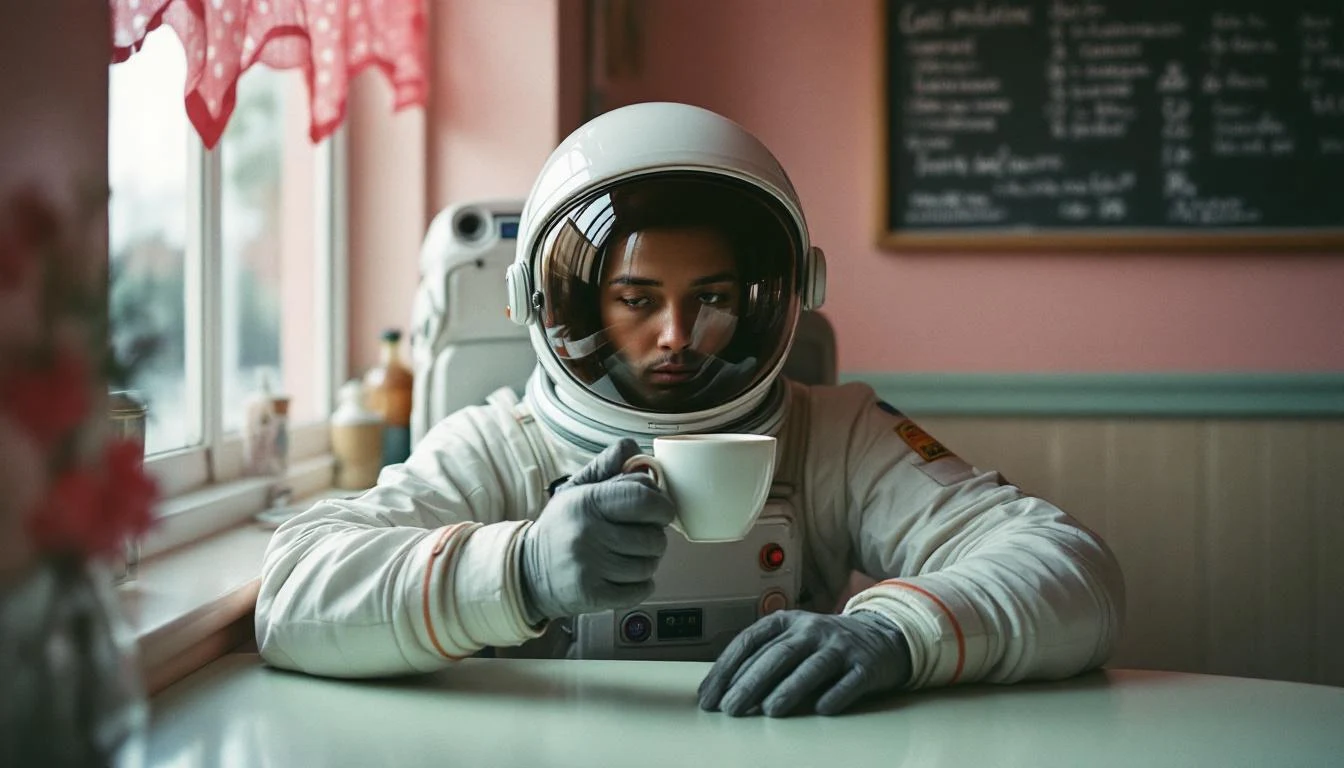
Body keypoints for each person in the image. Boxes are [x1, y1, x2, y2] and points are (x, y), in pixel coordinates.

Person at [255, 102, 1125, 718]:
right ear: (567, 304)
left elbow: (1071, 567)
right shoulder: (499, 449)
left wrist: (897, 634)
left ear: (771, 298)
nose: (677, 335)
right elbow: (291, 593)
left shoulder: (835, 435)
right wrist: (521, 570)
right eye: (637, 300)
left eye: (710, 298)